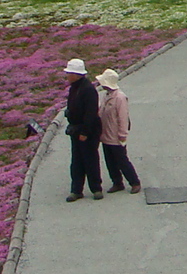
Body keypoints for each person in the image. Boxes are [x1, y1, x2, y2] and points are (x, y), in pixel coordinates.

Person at [61, 58, 103, 201]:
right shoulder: (74, 88)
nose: (67, 76)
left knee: (90, 160)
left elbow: (91, 113)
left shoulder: (88, 90)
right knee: (77, 161)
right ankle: (76, 190)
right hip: (76, 129)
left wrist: (85, 132)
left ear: (76, 74)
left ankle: (96, 188)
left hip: (88, 131)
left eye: (69, 73)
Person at [97, 68, 142, 195]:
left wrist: (122, 135)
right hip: (106, 135)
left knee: (122, 161)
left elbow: (123, 118)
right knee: (110, 161)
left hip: (116, 136)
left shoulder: (120, 98)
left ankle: (134, 182)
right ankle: (117, 182)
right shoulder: (106, 96)